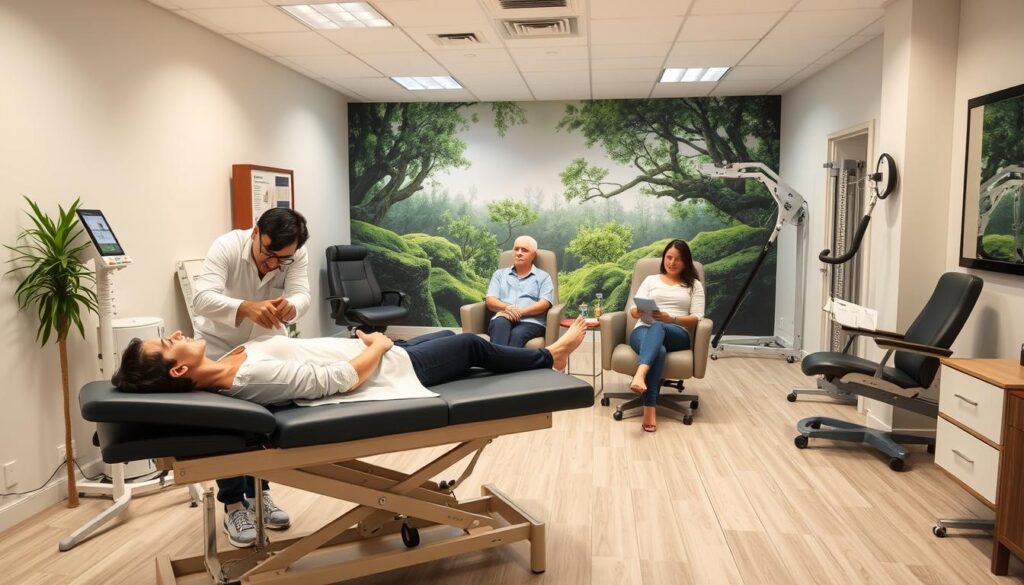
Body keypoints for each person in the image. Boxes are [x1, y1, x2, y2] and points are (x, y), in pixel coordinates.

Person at [189, 208, 310, 547]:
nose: (273, 265)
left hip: (266, 345)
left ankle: (260, 494)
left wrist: (292, 306)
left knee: (262, 424)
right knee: (228, 425)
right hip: (219, 345)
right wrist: (245, 307)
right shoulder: (227, 246)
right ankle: (232, 504)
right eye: (269, 254)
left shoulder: (294, 253)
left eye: (282, 261)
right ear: (256, 233)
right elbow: (201, 299)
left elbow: (303, 294)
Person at [627, 239, 705, 433]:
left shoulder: (694, 285)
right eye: (668, 257)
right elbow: (632, 310)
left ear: (686, 262)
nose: (671, 263)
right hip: (643, 329)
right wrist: (637, 312)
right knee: (659, 351)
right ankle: (649, 409)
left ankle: (640, 373)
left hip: (677, 333)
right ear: (663, 258)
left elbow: (696, 318)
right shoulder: (650, 280)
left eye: (677, 259)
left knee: (660, 325)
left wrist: (673, 318)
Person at [485, 236, 554, 347]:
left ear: (534, 255)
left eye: (524, 250)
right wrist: (506, 308)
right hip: (504, 316)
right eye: (516, 249)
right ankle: (500, 363)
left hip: (531, 322)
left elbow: (544, 304)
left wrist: (520, 312)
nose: (519, 253)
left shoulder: (544, 277)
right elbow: (490, 300)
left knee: (517, 334)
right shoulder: (499, 274)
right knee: (499, 323)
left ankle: (496, 363)